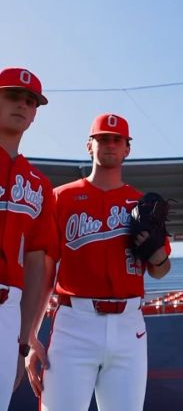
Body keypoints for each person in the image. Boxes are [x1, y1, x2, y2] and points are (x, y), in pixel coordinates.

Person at [26, 113, 171, 411]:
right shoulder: (61, 198)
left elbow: (160, 271)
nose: (110, 144)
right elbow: (46, 271)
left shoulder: (142, 204)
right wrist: (31, 333)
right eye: (102, 138)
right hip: (74, 323)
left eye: (117, 139)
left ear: (127, 148)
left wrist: (157, 253)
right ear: (89, 145)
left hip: (129, 325)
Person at [0, 67, 57, 411]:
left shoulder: (38, 184)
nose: (22, 104)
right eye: (12, 96)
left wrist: (23, 340)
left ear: (35, 115)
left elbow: (37, 261)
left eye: (30, 101)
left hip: (8, 310)